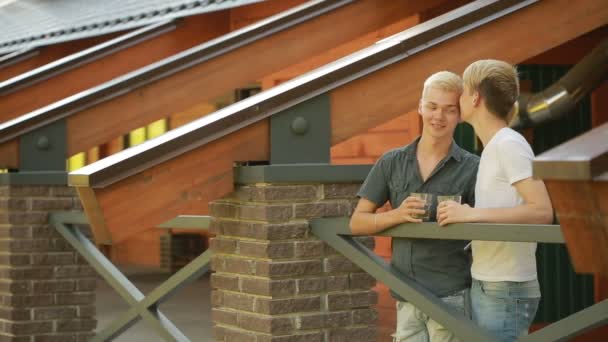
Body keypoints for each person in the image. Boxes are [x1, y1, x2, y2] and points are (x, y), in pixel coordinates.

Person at [350, 71, 480, 342]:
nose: (439, 116)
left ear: (460, 115)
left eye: (449, 109)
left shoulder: (473, 168)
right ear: (420, 107)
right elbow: (357, 222)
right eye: (432, 106)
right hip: (405, 295)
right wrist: (396, 215)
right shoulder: (391, 162)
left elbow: (488, 226)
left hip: (451, 296)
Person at [437, 59, 553, 341]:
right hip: (491, 283)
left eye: (463, 91)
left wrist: (470, 214)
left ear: (475, 97)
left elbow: (542, 211)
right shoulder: (494, 147)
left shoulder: (508, 144)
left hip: (505, 287)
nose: (458, 98)